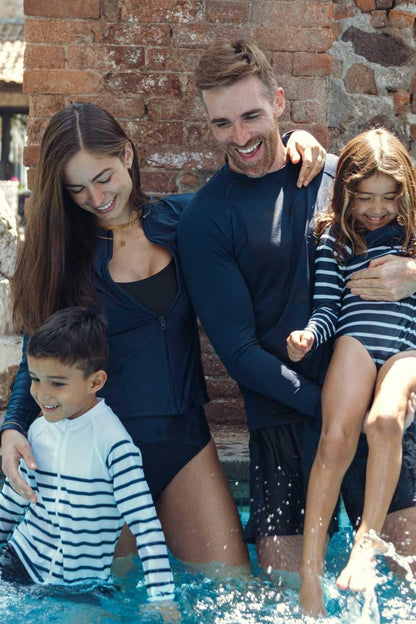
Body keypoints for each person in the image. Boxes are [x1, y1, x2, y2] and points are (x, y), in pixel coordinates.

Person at [1, 101, 323, 572]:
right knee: (109, 600)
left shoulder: (185, 220)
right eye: (78, 189)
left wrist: (292, 142)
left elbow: (252, 189)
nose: (95, 197)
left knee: (234, 589)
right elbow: (38, 354)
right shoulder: (61, 257)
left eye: (103, 178)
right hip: (101, 458)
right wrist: (12, 426)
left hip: (184, 444)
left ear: (127, 155)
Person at [177, 39, 416, 592]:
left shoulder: (340, 178)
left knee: (409, 587)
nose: (240, 136)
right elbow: (239, 353)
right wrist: (331, 408)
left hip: (375, 410)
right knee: (284, 601)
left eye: (251, 116)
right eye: (222, 123)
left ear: (280, 102)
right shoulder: (205, 220)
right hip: (282, 422)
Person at [286, 128, 416, 616]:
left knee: (384, 421)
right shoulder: (334, 238)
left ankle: (367, 540)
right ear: (345, 192)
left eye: (388, 197)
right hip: (355, 340)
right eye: (364, 198)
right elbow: (327, 308)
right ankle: (310, 576)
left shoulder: (414, 235)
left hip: (407, 347)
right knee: (336, 437)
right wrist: (309, 336)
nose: (376, 209)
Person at [0, 306, 174, 603]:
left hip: (82, 585)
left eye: (57, 383)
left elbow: (145, 527)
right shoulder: (38, 431)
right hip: (20, 563)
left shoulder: (114, 445)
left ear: (95, 382)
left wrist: (163, 599)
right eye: (36, 379)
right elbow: (12, 503)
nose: (42, 393)